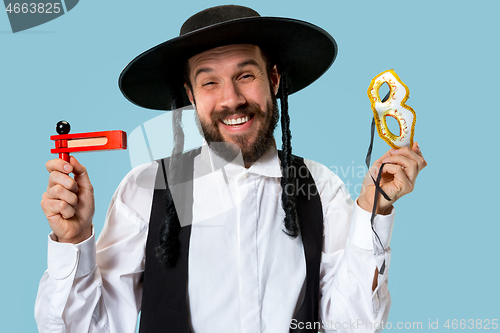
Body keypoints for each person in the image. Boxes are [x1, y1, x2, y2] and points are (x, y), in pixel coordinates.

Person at [36, 5, 427, 333]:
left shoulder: (320, 188)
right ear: (190, 96)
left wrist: (373, 211)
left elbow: (351, 325)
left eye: (245, 75)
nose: (231, 99)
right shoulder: (146, 189)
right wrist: (73, 242)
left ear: (273, 79)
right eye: (209, 83)